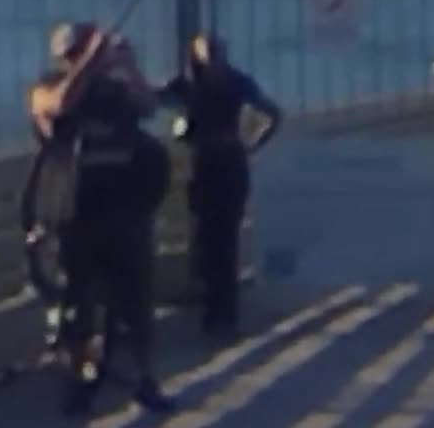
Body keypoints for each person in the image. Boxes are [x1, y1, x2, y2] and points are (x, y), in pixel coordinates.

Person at [27, 23, 174, 415]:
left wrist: (128, 66)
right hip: (73, 214)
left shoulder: (114, 91)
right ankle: (76, 385)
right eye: (77, 52)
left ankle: (142, 380)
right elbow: (59, 106)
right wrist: (91, 63)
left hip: (124, 211)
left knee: (135, 303)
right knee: (77, 306)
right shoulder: (49, 86)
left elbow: (148, 107)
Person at [159, 34, 280, 335]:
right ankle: (221, 310)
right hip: (228, 160)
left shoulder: (190, 83)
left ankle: (215, 308)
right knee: (221, 237)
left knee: (210, 236)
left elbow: (154, 99)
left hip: (207, 162)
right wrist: (251, 144)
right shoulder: (236, 80)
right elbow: (273, 113)